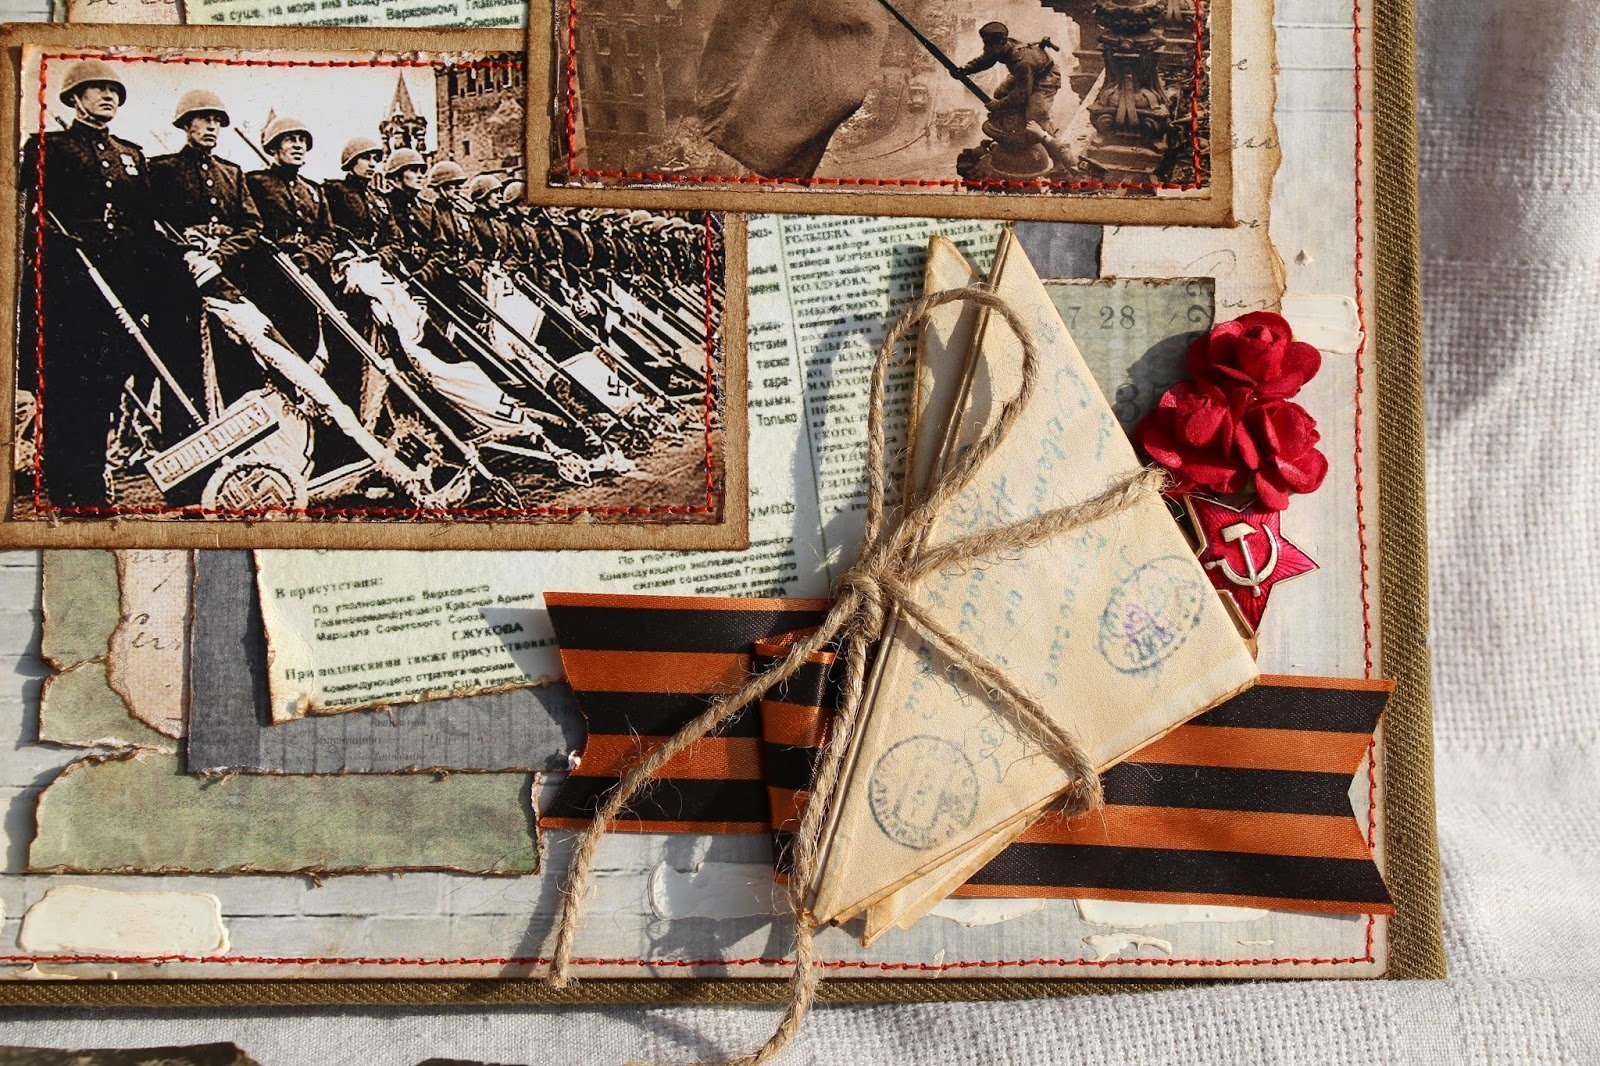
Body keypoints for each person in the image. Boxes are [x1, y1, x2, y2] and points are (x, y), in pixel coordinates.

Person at [19, 59, 183, 507]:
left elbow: (145, 225)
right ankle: (62, 485)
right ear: (75, 98)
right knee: (66, 381)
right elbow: (31, 214)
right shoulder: (49, 146)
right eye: (97, 89)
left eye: (114, 91)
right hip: (70, 283)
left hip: (120, 285)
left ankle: (91, 479)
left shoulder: (131, 154)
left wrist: (148, 284)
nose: (108, 96)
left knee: (107, 383)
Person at [958, 21, 1062, 130]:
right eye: (986, 44)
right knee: (1000, 93)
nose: (985, 48)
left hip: (1045, 77)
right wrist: (966, 69)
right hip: (1025, 73)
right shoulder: (1000, 47)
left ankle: (1048, 133)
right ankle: (1015, 123)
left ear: (1001, 44)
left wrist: (998, 105)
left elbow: (1021, 93)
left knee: (1035, 117)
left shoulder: (1022, 61)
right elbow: (986, 60)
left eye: (989, 45)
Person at [325, 136, 391, 251]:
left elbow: (393, 237)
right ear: (351, 162)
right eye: (366, 158)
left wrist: (381, 257)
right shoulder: (335, 191)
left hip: (379, 258)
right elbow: (329, 229)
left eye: (375, 159)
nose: (372, 164)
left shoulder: (379, 199)